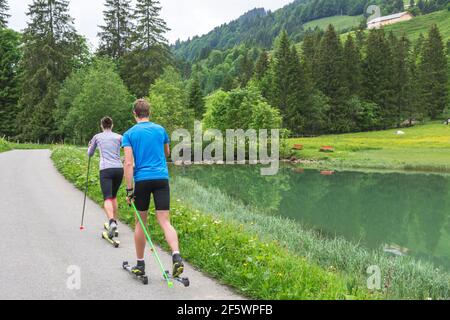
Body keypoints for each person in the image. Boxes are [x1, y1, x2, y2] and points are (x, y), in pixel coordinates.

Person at [122, 99, 184, 278]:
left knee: (141, 221)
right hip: (161, 179)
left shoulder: (129, 134)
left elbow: (128, 163)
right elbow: (166, 153)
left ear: (134, 113)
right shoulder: (160, 130)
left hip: (142, 180)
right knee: (165, 220)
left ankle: (140, 264)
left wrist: (129, 189)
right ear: (149, 113)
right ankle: (176, 255)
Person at [87, 117, 124, 240]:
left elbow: (90, 154)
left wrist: (89, 146)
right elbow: (127, 149)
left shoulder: (97, 137)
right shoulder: (119, 137)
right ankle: (115, 224)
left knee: (107, 197)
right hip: (119, 169)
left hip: (106, 169)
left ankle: (111, 221)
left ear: (101, 125)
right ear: (112, 125)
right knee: (114, 196)